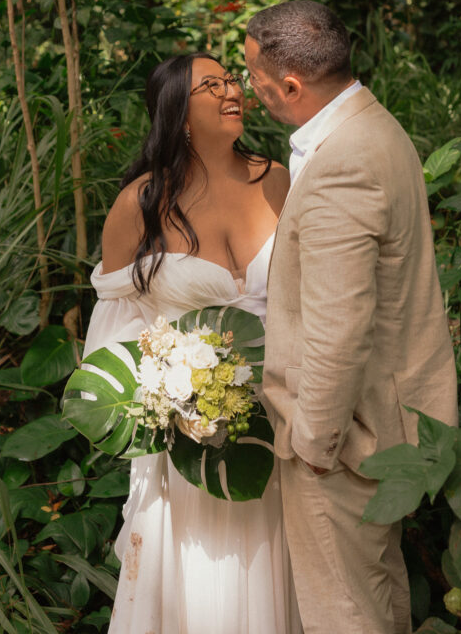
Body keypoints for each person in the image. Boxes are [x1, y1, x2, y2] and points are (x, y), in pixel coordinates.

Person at [244, 1, 458, 634]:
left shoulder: (343, 163)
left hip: (344, 436)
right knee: (376, 591)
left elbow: (341, 323)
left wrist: (313, 443)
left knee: (343, 611)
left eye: (254, 77)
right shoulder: (373, 125)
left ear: (292, 85)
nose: (249, 90)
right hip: (386, 423)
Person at [83, 52, 302, 634]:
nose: (232, 89)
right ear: (179, 114)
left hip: (278, 428)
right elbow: (111, 334)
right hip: (185, 441)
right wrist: (165, 391)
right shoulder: (141, 204)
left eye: (231, 78)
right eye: (212, 85)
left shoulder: (277, 178)